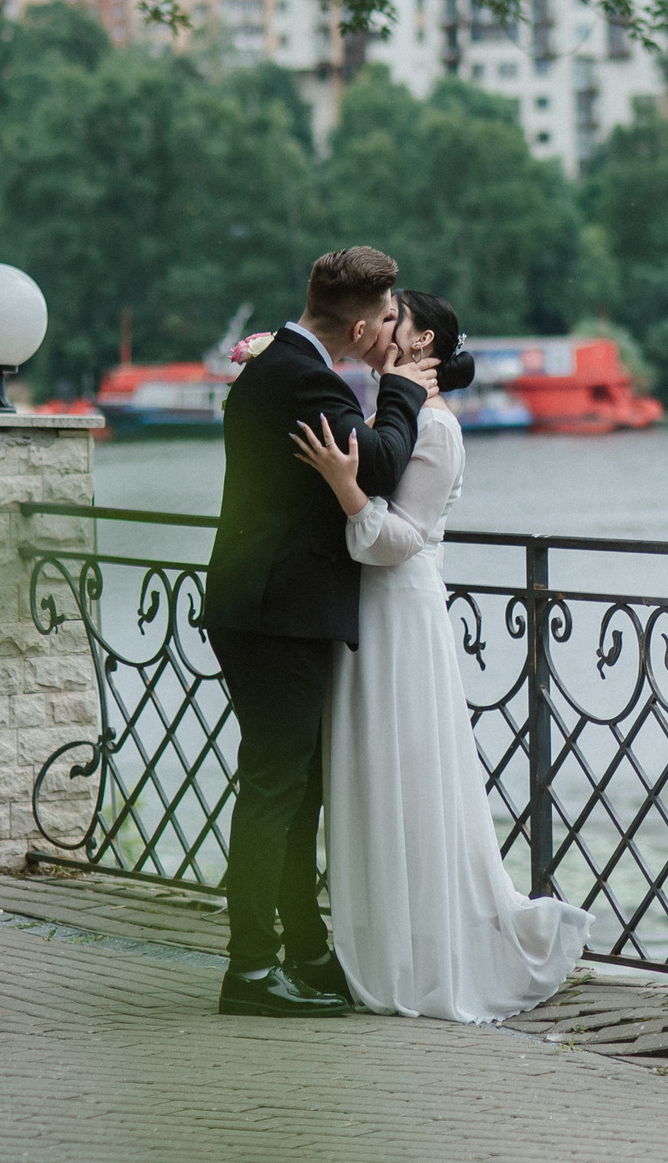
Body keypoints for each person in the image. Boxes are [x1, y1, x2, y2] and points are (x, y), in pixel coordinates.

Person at [289, 288, 594, 1021]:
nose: (378, 325)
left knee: (410, 771)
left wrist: (341, 485)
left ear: (421, 340)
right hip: (365, 609)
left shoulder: (437, 428)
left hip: (401, 611)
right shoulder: (388, 410)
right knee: (368, 772)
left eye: (394, 317)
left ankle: (425, 954)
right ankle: (383, 936)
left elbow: (400, 538)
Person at [205, 247, 439, 1018]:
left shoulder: (275, 363)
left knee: (294, 786)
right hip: (279, 611)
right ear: (365, 323)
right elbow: (374, 466)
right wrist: (401, 391)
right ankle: (250, 968)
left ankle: (302, 952)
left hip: (262, 604)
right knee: (276, 787)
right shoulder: (305, 377)